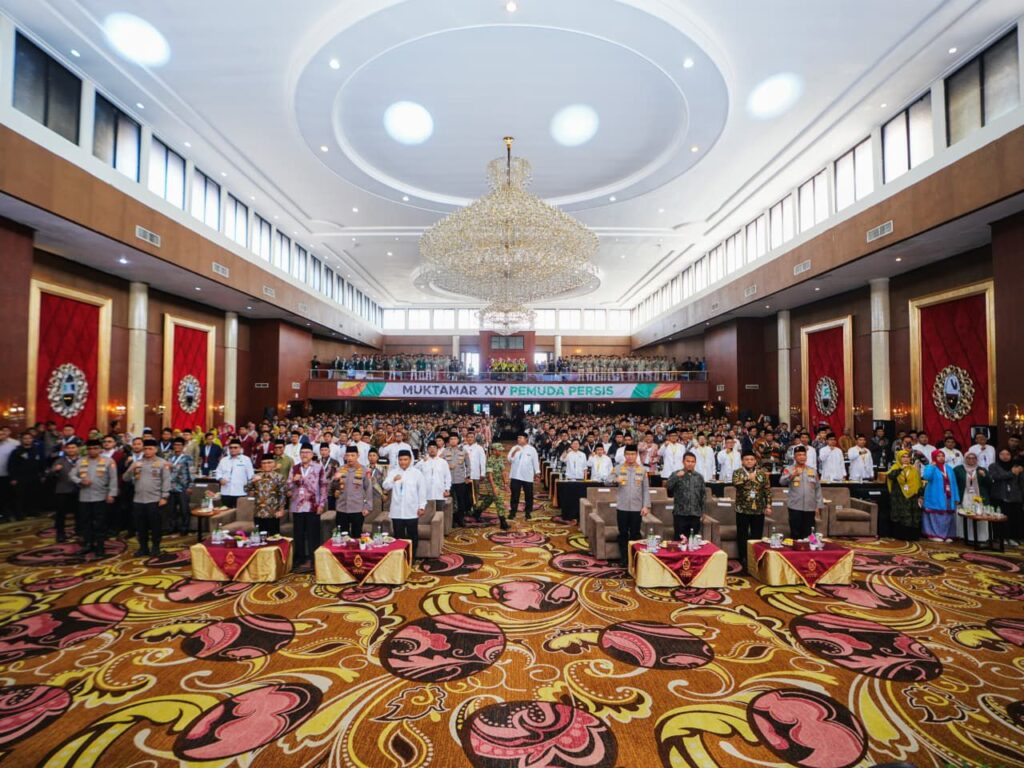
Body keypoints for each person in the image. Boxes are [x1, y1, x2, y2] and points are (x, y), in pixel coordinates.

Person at [125, 438, 171, 556]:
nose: (147, 451)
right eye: (145, 449)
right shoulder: (138, 463)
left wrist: (164, 496)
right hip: (138, 500)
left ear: (155, 450)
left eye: (150, 449)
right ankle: (143, 547)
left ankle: (155, 547)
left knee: (155, 526)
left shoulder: (162, 463)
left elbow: (166, 480)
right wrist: (132, 468)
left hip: (155, 499)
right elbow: (125, 478)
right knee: (140, 526)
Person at [72, 439, 118, 555]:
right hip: (84, 497)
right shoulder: (81, 461)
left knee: (100, 522)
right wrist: (80, 481)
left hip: (101, 496)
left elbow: (113, 478)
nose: (92, 451)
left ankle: (100, 546)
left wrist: (112, 494)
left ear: (100, 449)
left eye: (95, 448)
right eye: (90, 449)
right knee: (85, 521)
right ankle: (88, 544)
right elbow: (71, 474)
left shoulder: (108, 461)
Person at [289, 444, 327, 570]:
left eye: (307, 452)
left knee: (313, 534)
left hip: (313, 506)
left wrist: (322, 504)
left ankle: (313, 559)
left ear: (312, 454)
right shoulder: (294, 468)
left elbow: (323, 486)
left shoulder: (318, 467)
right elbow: (288, 487)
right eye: (302, 452)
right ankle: (299, 560)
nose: (304, 454)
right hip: (297, 507)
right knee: (298, 534)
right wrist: (294, 480)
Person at [383, 449, 427, 557]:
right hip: (397, 512)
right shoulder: (393, 472)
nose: (403, 462)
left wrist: (422, 506)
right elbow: (385, 486)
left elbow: (422, 491)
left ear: (410, 460)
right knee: (398, 537)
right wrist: (393, 480)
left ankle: (412, 557)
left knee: (412, 536)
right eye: (400, 460)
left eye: (405, 459)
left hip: (411, 510)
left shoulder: (417, 473)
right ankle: (400, 558)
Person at [733, 450, 772, 569]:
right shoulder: (738, 472)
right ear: (742, 461)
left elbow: (767, 490)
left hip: (758, 509)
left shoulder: (762, 474)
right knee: (742, 534)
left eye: (751, 459)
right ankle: (743, 558)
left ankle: (755, 557)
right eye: (746, 459)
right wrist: (747, 478)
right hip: (742, 509)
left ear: (755, 461)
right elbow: (735, 484)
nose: (749, 461)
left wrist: (768, 505)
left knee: (757, 535)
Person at [614, 444, 650, 567]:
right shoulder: (618, 468)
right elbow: (606, 480)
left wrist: (646, 506)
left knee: (635, 533)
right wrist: (615, 480)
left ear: (636, 455)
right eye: (628, 454)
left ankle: (634, 558)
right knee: (623, 533)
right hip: (622, 507)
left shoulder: (642, 470)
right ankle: (624, 558)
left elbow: (646, 489)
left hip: (636, 508)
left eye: (633, 454)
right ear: (624, 455)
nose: (630, 456)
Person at [780, 445, 823, 539]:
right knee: (795, 534)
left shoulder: (812, 471)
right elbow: (782, 482)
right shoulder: (789, 469)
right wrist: (792, 475)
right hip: (795, 506)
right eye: (799, 455)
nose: (802, 457)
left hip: (810, 507)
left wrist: (819, 505)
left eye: (804, 455)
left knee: (809, 534)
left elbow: (817, 489)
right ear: (795, 457)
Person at [332, 445, 373, 538]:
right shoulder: (340, 469)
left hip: (357, 508)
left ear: (358, 455)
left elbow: (369, 489)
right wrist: (335, 480)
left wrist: (368, 507)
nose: (350, 458)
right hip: (342, 508)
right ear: (345, 456)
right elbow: (333, 488)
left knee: (357, 536)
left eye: (352, 455)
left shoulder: (365, 470)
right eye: (348, 455)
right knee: (343, 536)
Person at [245, 454, 288, 537]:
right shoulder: (256, 476)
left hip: (273, 512)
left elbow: (282, 494)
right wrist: (252, 481)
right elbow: (246, 489)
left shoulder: (279, 477)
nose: (266, 465)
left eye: (269, 462)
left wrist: (281, 510)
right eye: (264, 463)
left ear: (274, 463)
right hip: (258, 512)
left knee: (274, 538)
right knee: (259, 538)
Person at [921, 449, 959, 542]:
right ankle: (934, 534)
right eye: (938, 456)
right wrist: (931, 466)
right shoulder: (930, 467)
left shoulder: (949, 468)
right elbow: (926, 477)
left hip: (948, 496)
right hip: (934, 496)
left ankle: (948, 535)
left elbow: (954, 483)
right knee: (935, 516)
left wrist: (956, 497)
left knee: (948, 516)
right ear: (934, 457)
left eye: (942, 456)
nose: (941, 458)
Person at [666, 451, 704, 540]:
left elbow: (703, 495)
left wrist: (702, 513)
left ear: (695, 463)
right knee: (679, 541)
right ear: (683, 462)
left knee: (693, 542)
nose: (690, 464)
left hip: (695, 514)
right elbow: (668, 487)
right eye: (688, 461)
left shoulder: (699, 477)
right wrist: (677, 477)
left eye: (692, 461)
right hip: (680, 514)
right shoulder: (676, 474)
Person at [989, 448, 1023, 546]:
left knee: (1014, 518)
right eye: (1002, 454)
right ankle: (1001, 537)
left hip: (1015, 497)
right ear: (998, 455)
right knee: (1001, 518)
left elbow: (1021, 482)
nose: (1005, 456)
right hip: (999, 496)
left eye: (1007, 454)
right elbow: (996, 477)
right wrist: (1011, 473)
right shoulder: (993, 466)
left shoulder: (1017, 467)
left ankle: (1013, 537)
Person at [47, 440, 80, 543]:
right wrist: (55, 470)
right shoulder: (59, 461)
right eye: (68, 448)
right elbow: (50, 474)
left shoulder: (82, 460)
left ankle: (79, 531)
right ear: (65, 449)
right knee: (61, 514)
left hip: (79, 490)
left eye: (73, 447)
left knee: (80, 513)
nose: (71, 450)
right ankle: (60, 533)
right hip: (63, 490)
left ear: (77, 449)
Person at [887, 450, 923, 541]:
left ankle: (912, 536)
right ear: (899, 458)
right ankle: (901, 535)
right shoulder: (895, 468)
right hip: (898, 496)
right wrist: (901, 469)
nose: (906, 459)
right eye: (903, 457)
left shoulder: (913, 469)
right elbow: (891, 476)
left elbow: (918, 482)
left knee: (912, 515)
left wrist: (920, 495)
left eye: (907, 457)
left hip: (912, 496)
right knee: (900, 515)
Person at [507, 433, 540, 521]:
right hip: (515, 475)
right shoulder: (514, 448)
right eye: (518, 438)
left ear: (526, 439)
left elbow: (535, 462)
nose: (519, 439)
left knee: (528, 495)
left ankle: (528, 512)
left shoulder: (532, 449)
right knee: (515, 495)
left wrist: (537, 473)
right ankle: (513, 512)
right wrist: (514, 452)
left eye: (521, 438)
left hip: (527, 476)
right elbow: (509, 459)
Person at [443, 434, 473, 526]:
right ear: (449, 441)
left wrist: (468, 476)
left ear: (458, 440)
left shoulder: (463, 451)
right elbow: (439, 464)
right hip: (448, 481)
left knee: (461, 500)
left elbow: (468, 465)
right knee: (450, 501)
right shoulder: (444, 451)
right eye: (451, 439)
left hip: (460, 479)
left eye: (455, 439)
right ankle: (452, 520)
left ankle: (461, 519)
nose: (453, 440)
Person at [214, 439, 254, 508]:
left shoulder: (246, 459)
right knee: (226, 512)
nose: (233, 449)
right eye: (231, 448)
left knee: (240, 512)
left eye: (235, 447)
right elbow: (218, 472)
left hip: (240, 492)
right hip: (226, 492)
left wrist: (251, 490)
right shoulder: (224, 460)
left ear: (240, 448)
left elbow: (251, 476)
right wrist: (220, 479)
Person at [167, 437, 194, 535]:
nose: (177, 447)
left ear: (183, 446)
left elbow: (192, 472)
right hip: (170, 487)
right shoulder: (170, 457)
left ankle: (184, 528)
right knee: (171, 510)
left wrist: (190, 486)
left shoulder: (188, 458)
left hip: (183, 487)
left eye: (179, 445)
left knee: (184, 510)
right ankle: (172, 528)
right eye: (175, 445)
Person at [419, 443, 452, 517]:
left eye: (434, 448)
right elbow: (414, 471)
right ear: (427, 450)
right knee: (426, 516)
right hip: (426, 493)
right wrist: (422, 462)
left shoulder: (443, 462)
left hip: (439, 492)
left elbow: (447, 477)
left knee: (440, 514)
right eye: (430, 448)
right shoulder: (423, 462)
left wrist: (447, 489)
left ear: (437, 450)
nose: (432, 450)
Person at [0, 426, 18, 521]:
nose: (1, 436)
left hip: (7, 475)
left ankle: (6, 514)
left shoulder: (13, 444)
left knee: (6, 496)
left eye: (2, 434)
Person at [317, 443, 341, 511]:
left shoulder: (335, 462)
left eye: (325, 450)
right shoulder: (316, 462)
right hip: (318, 491)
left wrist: (337, 489)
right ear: (319, 451)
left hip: (330, 491)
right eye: (322, 450)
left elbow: (337, 477)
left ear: (329, 451)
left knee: (330, 511)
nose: (323, 452)